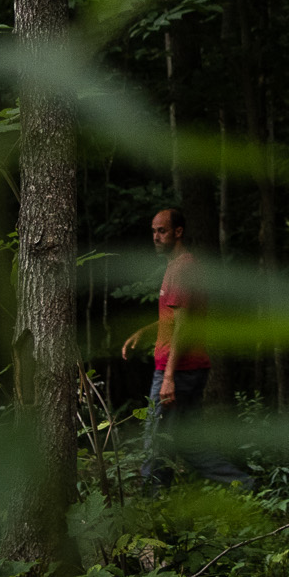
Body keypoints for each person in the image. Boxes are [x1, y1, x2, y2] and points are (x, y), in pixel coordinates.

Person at [121, 208, 252, 488]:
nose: (156, 237)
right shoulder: (178, 266)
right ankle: (244, 484)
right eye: (153, 231)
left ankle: (152, 509)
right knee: (190, 446)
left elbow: (182, 326)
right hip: (188, 369)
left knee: (156, 442)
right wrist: (144, 333)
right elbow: (174, 319)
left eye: (162, 231)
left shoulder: (183, 268)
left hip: (178, 371)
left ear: (178, 232)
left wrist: (168, 378)